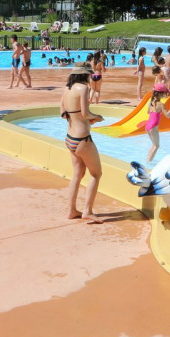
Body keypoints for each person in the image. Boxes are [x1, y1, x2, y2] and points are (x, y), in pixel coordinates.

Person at [60, 63, 105, 223]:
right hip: (82, 139)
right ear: (85, 74)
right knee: (96, 174)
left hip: (70, 138)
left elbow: (63, 113)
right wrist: (97, 117)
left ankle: (72, 210)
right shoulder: (83, 88)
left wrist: (84, 119)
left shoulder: (67, 88)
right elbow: (86, 113)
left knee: (77, 175)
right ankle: (88, 211)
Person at [144, 83, 167, 163]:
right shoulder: (161, 104)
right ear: (160, 94)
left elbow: (148, 112)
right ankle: (148, 163)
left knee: (154, 145)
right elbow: (168, 115)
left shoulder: (151, 102)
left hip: (147, 126)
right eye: (165, 92)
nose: (166, 94)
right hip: (153, 127)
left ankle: (147, 160)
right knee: (156, 146)